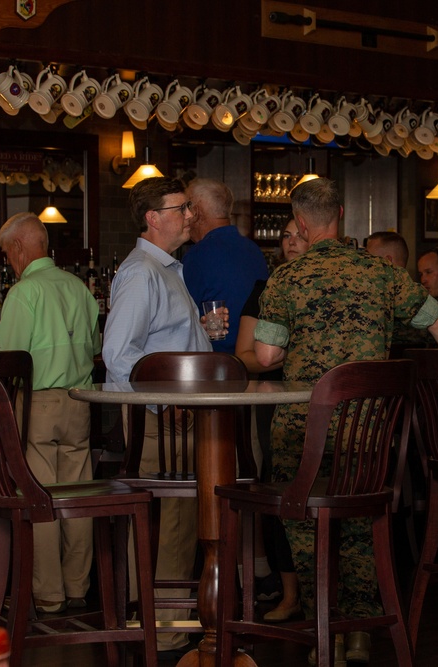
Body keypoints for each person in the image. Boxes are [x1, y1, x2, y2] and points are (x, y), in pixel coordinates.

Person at [253, 178, 438, 662]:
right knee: (361, 518)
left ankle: (327, 631)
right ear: (341, 214)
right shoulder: (382, 272)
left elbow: (265, 355)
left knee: (303, 517)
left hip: (303, 428)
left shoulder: (287, 278)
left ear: (301, 223)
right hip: (369, 430)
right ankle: (362, 631)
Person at [102, 177, 213, 656]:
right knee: (174, 521)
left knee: (180, 520)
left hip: (177, 415)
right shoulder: (142, 271)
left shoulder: (166, 268)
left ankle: (154, 622)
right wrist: (160, 405)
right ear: (153, 218)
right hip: (163, 420)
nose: (189, 215)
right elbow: (118, 353)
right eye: (181, 207)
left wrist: (199, 329)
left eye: (189, 207)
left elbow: (155, 340)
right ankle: (164, 631)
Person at [0, 212, 101, 614]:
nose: (9, 262)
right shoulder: (78, 288)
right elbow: (93, 347)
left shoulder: (25, 292)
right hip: (80, 400)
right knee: (77, 495)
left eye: (7, 254)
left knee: (39, 496)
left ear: (19, 247)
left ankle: (48, 593)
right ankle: (77, 587)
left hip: (39, 401)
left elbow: (6, 356)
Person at [234, 218, 310, 624]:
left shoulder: (326, 288)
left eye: (299, 234)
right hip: (277, 403)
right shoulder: (267, 290)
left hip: (324, 403)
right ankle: (291, 594)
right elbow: (246, 357)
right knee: (281, 490)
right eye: (286, 235)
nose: (292, 241)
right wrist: (279, 356)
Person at [181, 178, 268, 355]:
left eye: (185, 208)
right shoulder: (254, 250)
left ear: (196, 212)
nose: (184, 215)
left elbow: (180, 318)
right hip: (252, 360)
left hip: (213, 363)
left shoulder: (198, 255)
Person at [365, 231, 431, 349]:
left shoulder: (383, 295)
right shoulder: (419, 295)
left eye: (370, 259)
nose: (366, 265)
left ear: (387, 261)